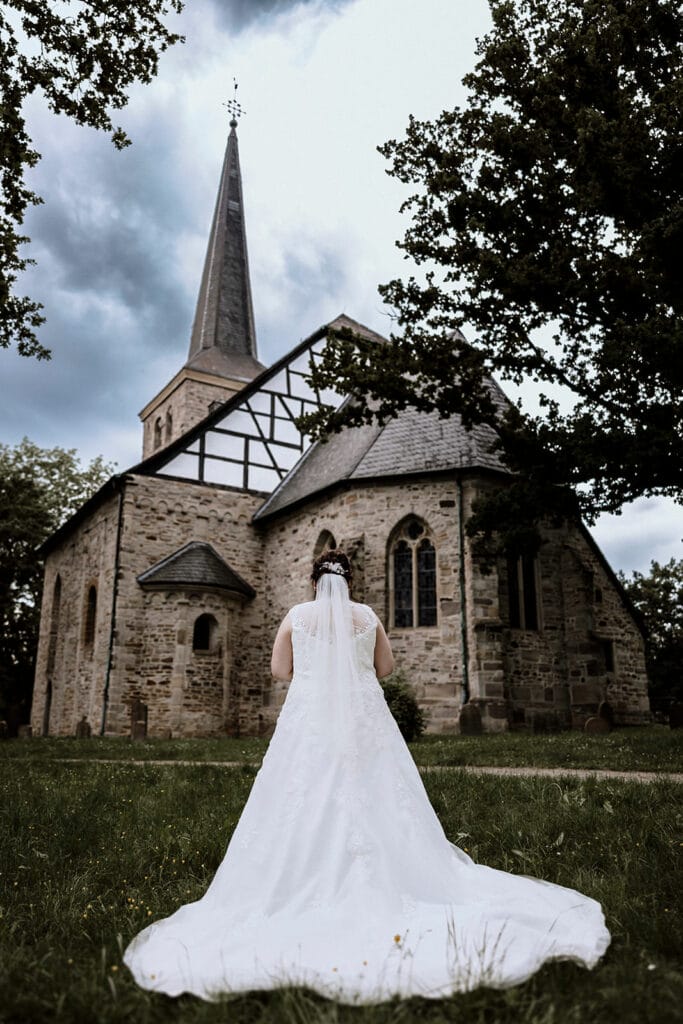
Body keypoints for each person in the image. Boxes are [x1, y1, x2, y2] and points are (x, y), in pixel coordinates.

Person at [124, 549, 610, 1002]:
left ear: (313, 581)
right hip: (362, 717)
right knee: (374, 787)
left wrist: (315, 670)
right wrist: (348, 667)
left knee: (303, 789)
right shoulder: (368, 616)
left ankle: (299, 875)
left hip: (310, 718)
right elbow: (385, 667)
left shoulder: (296, 616)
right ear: (349, 582)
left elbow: (278, 671)